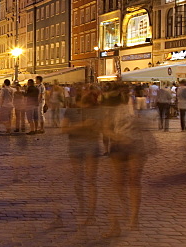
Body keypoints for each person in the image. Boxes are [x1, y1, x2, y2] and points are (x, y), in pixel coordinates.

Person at [104, 91, 147, 236]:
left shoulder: (136, 106)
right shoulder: (112, 110)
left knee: (133, 182)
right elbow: (106, 129)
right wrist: (118, 137)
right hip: (120, 145)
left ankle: (133, 217)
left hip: (135, 145)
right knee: (118, 184)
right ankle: (122, 216)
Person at [62, 87, 101, 226]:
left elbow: (103, 128)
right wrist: (81, 125)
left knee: (91, 180)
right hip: (75, 145)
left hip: (92, 145)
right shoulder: (71, 110)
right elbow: (63, 129)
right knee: (78, 178)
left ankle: (91, 213)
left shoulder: (97, 111)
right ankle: (82, 205)